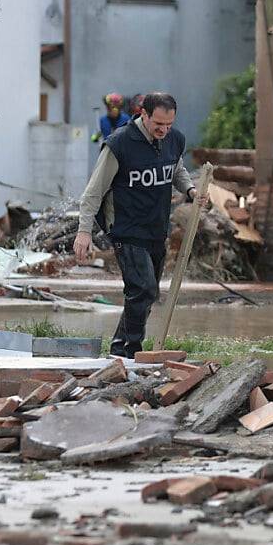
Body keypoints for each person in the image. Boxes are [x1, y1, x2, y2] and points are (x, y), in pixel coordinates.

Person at [74, 92, 201, 359]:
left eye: (169, 124)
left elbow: (175, 170)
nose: (164, 130)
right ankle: (129, 351)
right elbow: (93, 191)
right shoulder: (119, 144)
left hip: (156, 227)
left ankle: (120, 347)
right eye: (158, 124)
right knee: (142, 288)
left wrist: (190, 190)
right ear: (143, 114)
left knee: (145, 294)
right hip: (125, 227)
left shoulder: (173, 140)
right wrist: (84, 231)